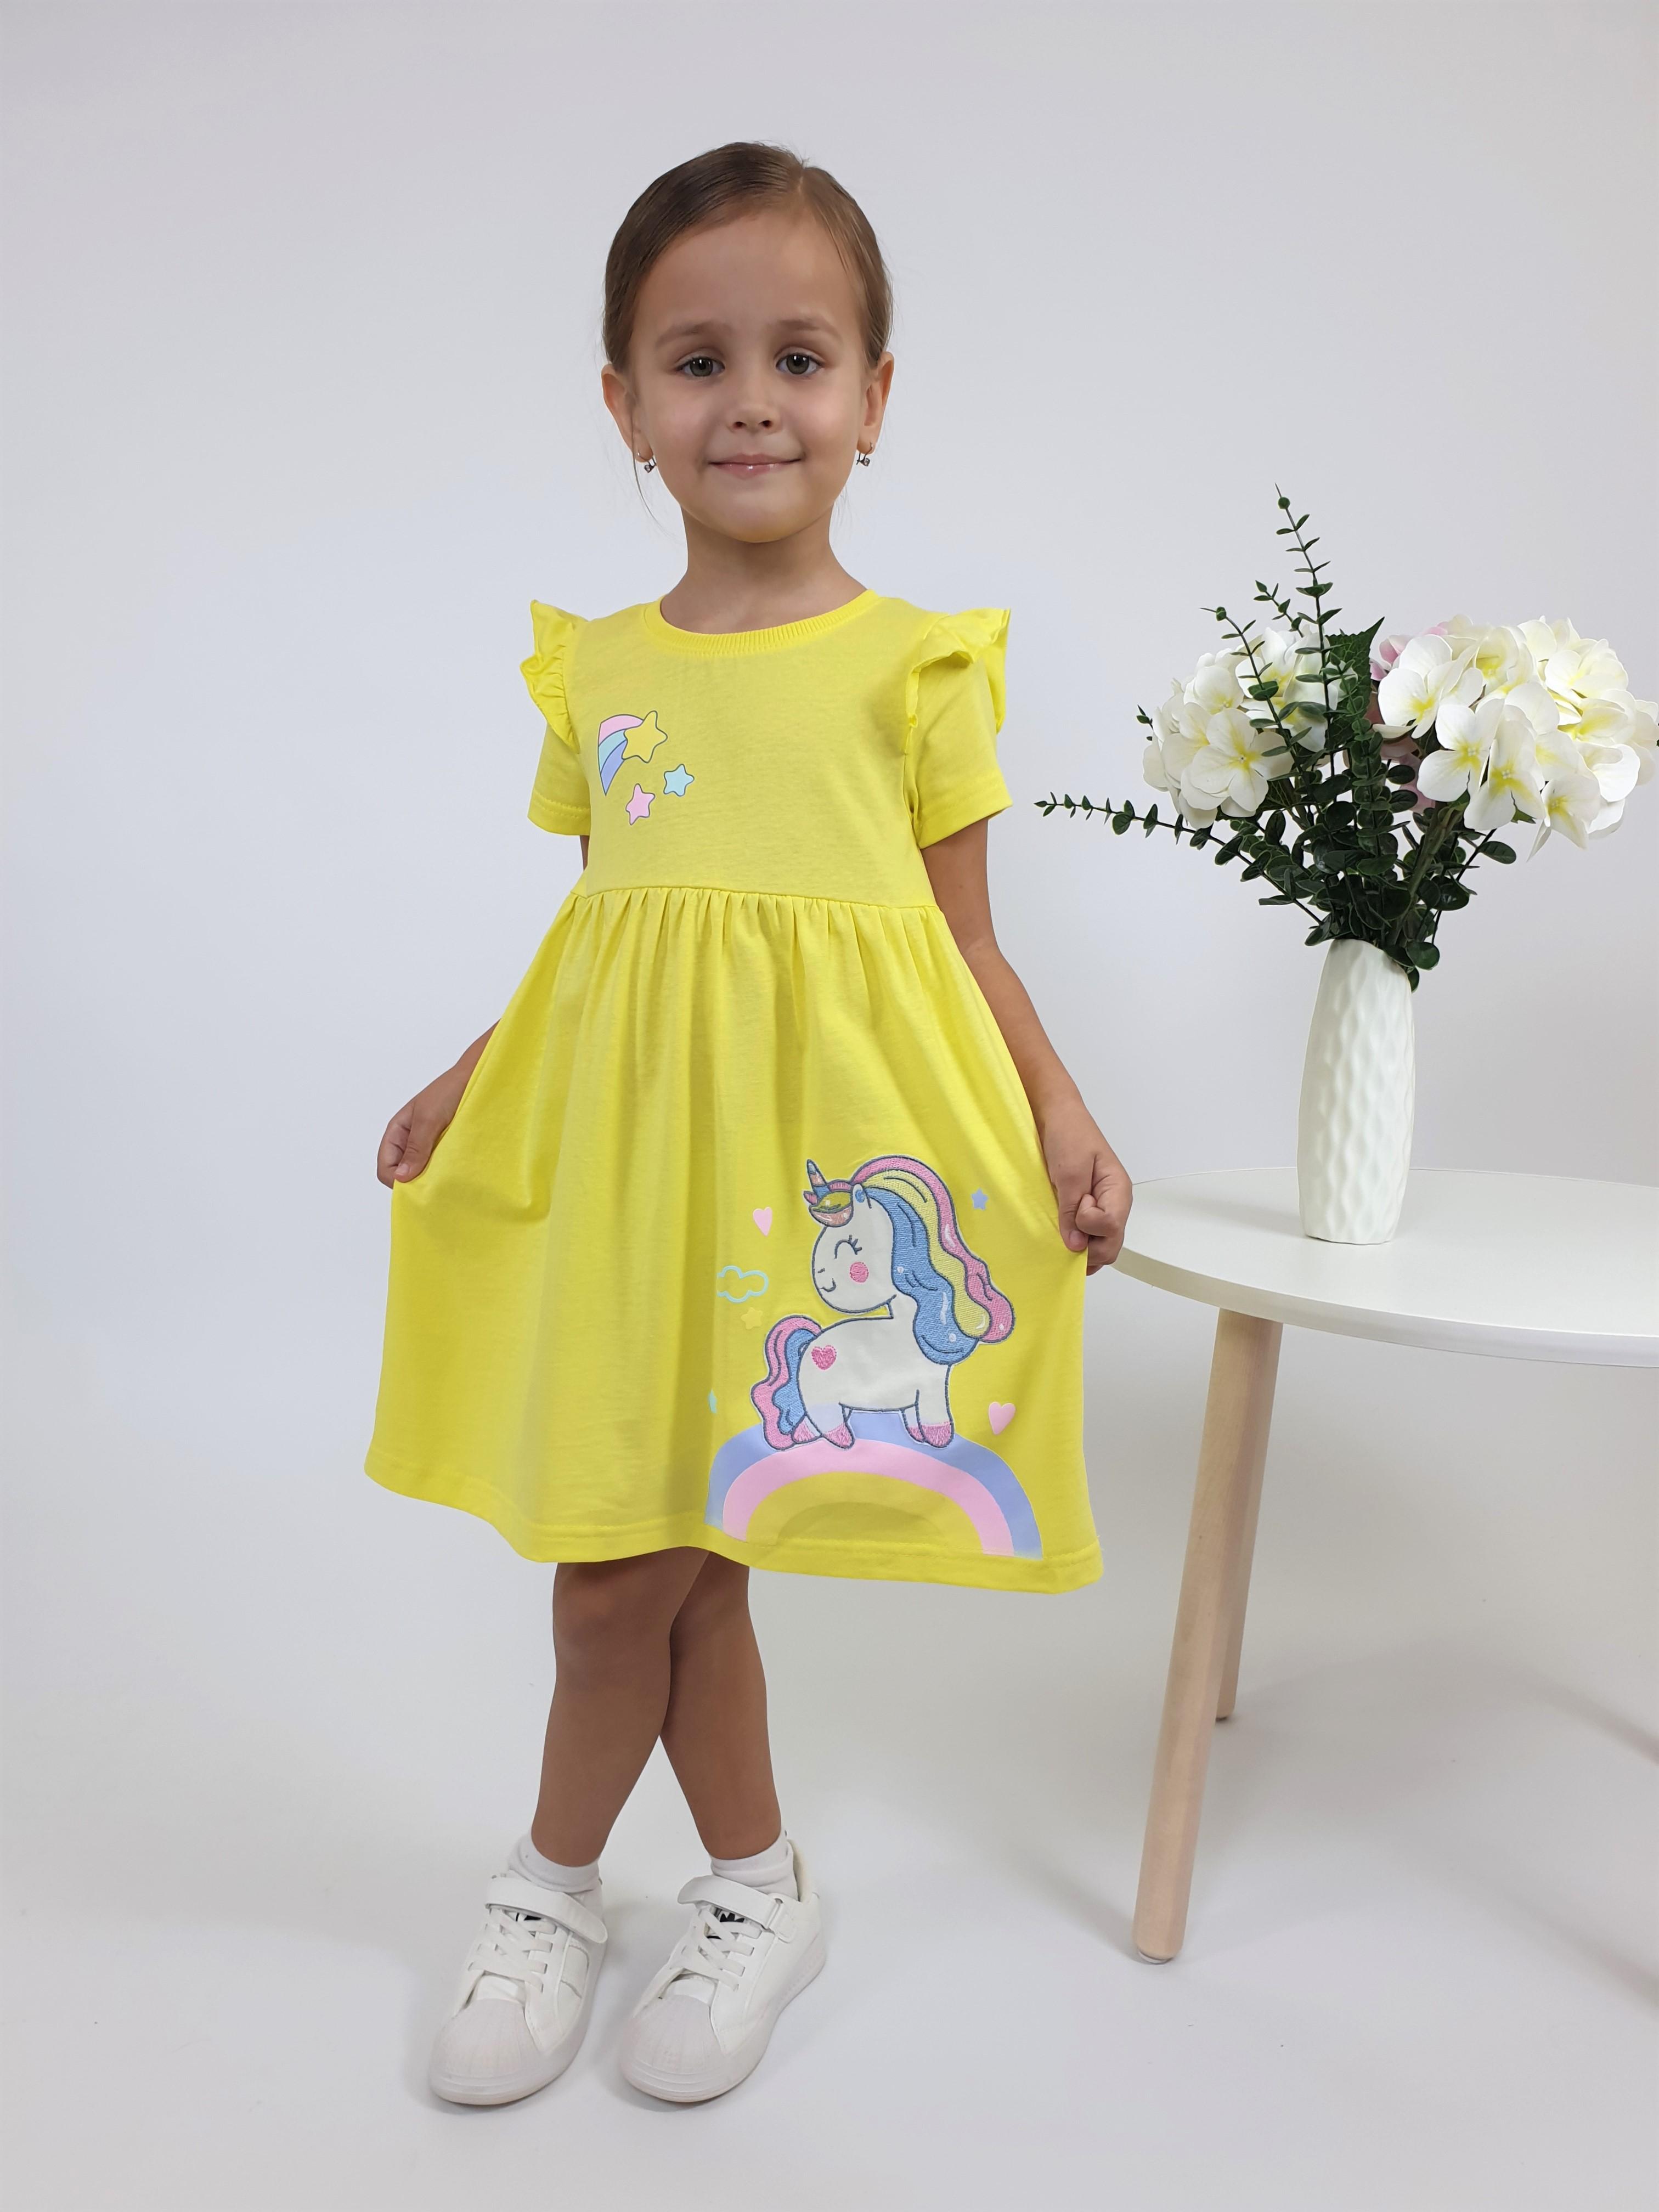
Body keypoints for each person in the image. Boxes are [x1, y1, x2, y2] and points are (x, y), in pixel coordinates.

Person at [366, 140, 1131, 2111]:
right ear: (624, 402)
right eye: (696, 361)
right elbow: (611, 933)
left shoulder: (915, 666)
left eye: (801, 357)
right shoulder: (600, 670)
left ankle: (551, 1881)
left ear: (876, 396)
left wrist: (1060, 1117)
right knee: (668, 1563)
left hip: (812, 1189)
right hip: (640, 1182)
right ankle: (753, 1883)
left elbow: (966, 941)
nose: (753, 402)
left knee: (640, 1571)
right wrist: (472, 1072)